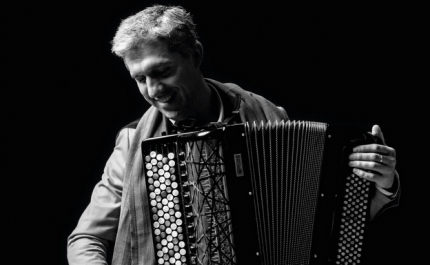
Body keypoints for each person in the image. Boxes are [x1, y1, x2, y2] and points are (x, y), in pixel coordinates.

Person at [67, 5, 400, 265]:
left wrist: (382, 183)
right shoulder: (132, 145)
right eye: (140, 79)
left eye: (163, 71)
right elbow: (85, 239)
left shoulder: (270, 120)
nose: (154, 90)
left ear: (195, 55)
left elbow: (322, 225)